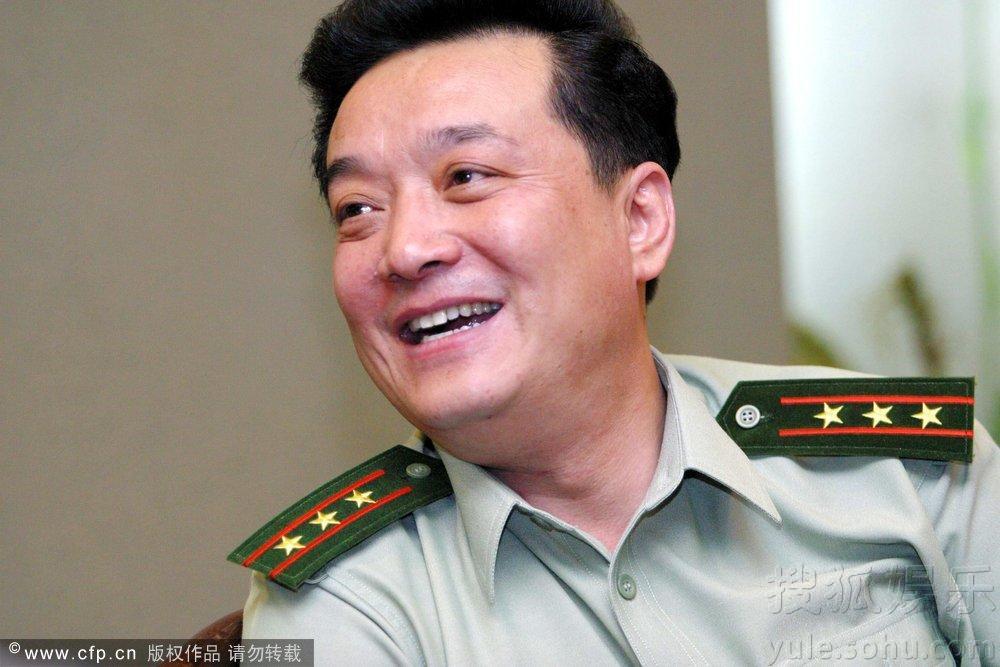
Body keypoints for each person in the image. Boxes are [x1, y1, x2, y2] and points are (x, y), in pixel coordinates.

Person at [230, 0, 999, 663]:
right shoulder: (341, 600)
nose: (404, 249)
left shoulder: (909, 473)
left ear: (640, 220)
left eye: (466, 177)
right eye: (358, 209)